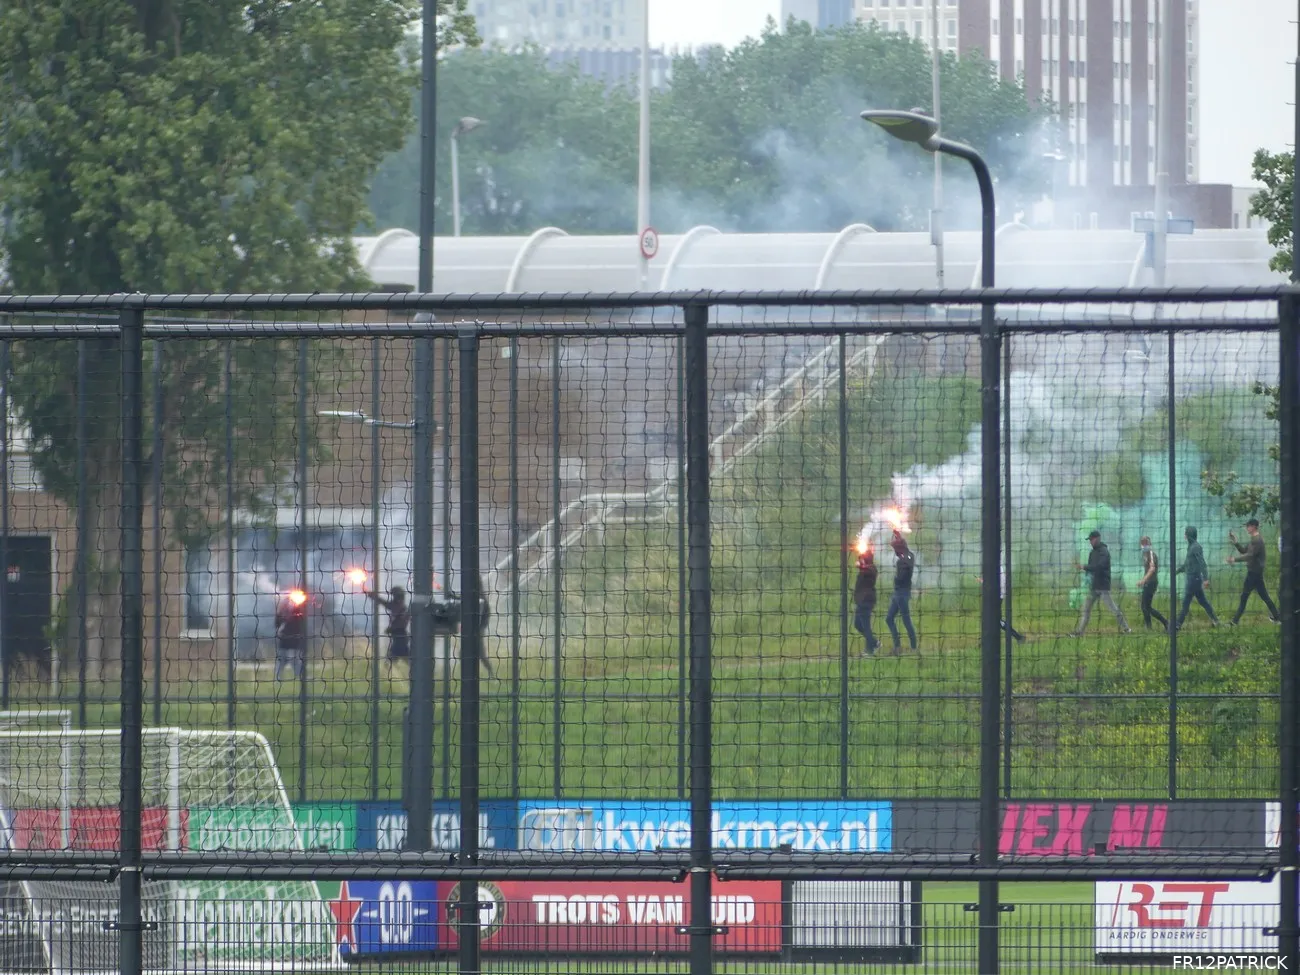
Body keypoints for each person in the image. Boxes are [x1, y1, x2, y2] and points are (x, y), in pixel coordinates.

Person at [1071, 530, 1132, 636]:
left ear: (1097, 538)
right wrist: (1086, 577)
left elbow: (1099, 566)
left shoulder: (1104, 552)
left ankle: (1127, 629)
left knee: (1113, 608)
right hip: (1094, 586)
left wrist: (1084, 567)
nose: (1090, 542)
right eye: (1090, 540)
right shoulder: (1092, 552)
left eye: (1092, 539)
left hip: (1103, 586)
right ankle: (1080, 632)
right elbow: (1091, 568)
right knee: (1086, 609)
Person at [1227, 518, 1280, 625]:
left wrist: (1234, 559)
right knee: (1264, 597)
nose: (1247, 528)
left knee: (1244, 597)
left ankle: (1234, 622)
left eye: (1248, 526)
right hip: (1255, 574)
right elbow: (1244, 551)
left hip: (1254, 574)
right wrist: (1236, 542)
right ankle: (1277, 617)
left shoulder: (1258, 540)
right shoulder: (1253, 539)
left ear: (1254, 527)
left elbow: (1250, 556)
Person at [1175, 526, 1219, 629]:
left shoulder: (1196, 547)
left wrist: (1206, 578)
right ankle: (1216, 621)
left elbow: (1202, 562)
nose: (1184, 535)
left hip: (1194, 579)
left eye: (1185, 533)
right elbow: (1187, 564)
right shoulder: (1191, 547)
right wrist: (1177, 571)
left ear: (1189, 535)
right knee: (1203, 601)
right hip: (1193, 579)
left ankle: (1177, 625)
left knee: (1186, 603)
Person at [885, 531, 918, 654]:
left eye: (896, 549)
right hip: (897, 593)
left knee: (906, 620)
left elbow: (902, 574)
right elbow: (906, 553)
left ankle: (913, 647)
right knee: (889, 619)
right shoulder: (907, 556)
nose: (895, 552)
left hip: (902, 594)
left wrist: (896, 579)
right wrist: (899, 538)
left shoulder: (905, 560)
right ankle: (897, 646)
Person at [364, 585, 410, 667]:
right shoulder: (399, 607)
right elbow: (386, 604)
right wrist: (373, 596)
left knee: (397, 656)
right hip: (398, 637)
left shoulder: (402, 608)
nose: (393, 598)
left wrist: (391, 629)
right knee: (400, 656)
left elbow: (401, 623)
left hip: (400, 637)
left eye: (395, 596)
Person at [1137, 535, 1169, 632]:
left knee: (1146, 607)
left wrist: (1143, 580)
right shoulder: (1145, 555)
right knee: (1144, 606)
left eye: (1145, 544)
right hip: (1148, 583)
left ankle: (1166, 623)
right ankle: (1149, 627)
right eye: (1142, 544)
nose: (1143, 546)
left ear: (1149, 544)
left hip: (1151, 583)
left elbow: (1152, 569)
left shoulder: (1151, 554)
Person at [273, 591, 307, 681]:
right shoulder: (281, 613)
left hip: (294, 640)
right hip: (284, 640)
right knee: (281, 660)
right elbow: (277, 624)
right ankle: (278, 679)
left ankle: (301, 676)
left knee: (294, 660)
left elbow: (299, 622)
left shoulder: (297, 612)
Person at [852, 547, 880, 656]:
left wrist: (861, 564)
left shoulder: (872, 569)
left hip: (866, 601)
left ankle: (870, 650)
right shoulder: (865, 569)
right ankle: (874, 642)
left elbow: (865, 569)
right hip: (861, 601)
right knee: (857, 624)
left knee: (866, 625)